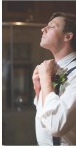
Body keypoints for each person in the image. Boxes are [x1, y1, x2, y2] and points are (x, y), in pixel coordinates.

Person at [33, 12, 76, 145]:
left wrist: (46, 78)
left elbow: (56, 126)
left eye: (51, 27)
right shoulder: (52, 68)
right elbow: (45, 114)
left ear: (67, 36)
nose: (43, 29)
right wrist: (38, 89)